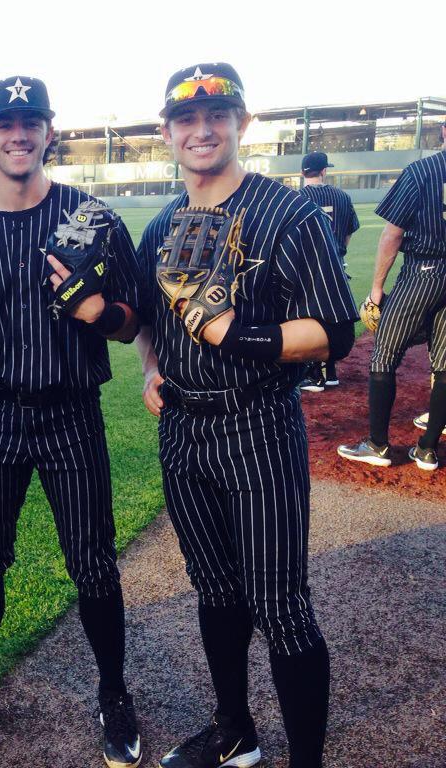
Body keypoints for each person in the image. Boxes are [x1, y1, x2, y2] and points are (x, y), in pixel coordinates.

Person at [134, 63, 356, 768]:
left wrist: (236, 334)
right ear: (167, 131)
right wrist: (147, 367)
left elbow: (336, 329)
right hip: (183, 429)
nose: (203, 128)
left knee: (281, 605)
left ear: (242, 123)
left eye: (219, 114)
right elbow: (145, 314)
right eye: (187, 118)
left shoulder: (287, 213)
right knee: (216, 589)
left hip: (257, 425)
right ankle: (235, 730)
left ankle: (307, 761)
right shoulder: (164, 223)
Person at [0, 75, 144, 767]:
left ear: (49, 131)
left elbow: (133, 318)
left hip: (71, 414)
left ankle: (114, 694)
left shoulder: (93, 217)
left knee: (93, 565)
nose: (19, 134)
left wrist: (101, 315)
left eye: (31, 122)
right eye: (6, 124)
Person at [338, 121, 446, 471]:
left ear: (444, 130)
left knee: (383, 353)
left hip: (424, 271)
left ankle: (377, 445)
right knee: (445, 364)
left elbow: (392, 234)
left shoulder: (422, 171)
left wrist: (376, 289)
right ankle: (427, 449)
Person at [297, 151, 360, 392]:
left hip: (305, 268)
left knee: (307, 317)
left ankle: (315, 376)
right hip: (335, 265)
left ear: (302, 172)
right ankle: (329, 372)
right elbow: (349, 230)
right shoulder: (342, 196)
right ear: (324, 171)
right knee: (332, 316)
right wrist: (338, 253)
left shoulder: (295, 197)